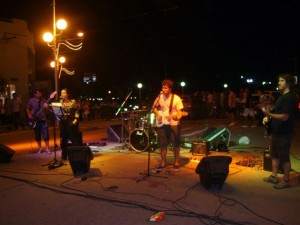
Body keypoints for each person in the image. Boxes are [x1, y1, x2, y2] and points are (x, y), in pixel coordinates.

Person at [262, 73, 297, 189]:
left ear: (287, 83)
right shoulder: (282, 97)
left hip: (284, 132)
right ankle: (274, 176)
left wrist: (269, 114)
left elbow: (285, 116)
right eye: (279, 80)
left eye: (281, 81)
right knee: (274, 155)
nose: (279, 82)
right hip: (276, 131)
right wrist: (269, 117)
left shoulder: (289, 98)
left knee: (284, 156)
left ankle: (286, 180)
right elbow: (277, 112)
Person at [152, 79, 184, 171]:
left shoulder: (176, 98)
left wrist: (177, 117)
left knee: (175, 144)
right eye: (163, 87)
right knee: (162, 144)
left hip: (174, 124)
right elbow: (154, 107)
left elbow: (180, 112)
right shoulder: (160, 97)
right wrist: (158, 114)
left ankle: (176, 161)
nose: (163, 89)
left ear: (170, 89)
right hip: (162, 124)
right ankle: (163, 162)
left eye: (166, 88)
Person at [26, 89, 55, 154]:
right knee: (37, 135)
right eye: (38, 93)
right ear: (35, 94)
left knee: (46, 134)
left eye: (40, 93)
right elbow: (28, 108)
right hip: (35, 120)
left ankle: (47, 148)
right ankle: (40, 148)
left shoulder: (44, 100)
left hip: (43, 119)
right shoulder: (31, 100)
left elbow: (48, 109)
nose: (40, 94)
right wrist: (29, 116)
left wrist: (47, 107)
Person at [59, 88, 81, 160]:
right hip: (63, 122)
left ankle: (76, 154)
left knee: (73, 138)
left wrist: (75, 121)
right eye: (61, 93)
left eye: (64, 93)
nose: (62, 94)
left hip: (71, 121)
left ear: (67, 94)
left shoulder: (73, 102)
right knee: (63, 139)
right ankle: (64, 155)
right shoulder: (60, 102)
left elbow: (77, 112)